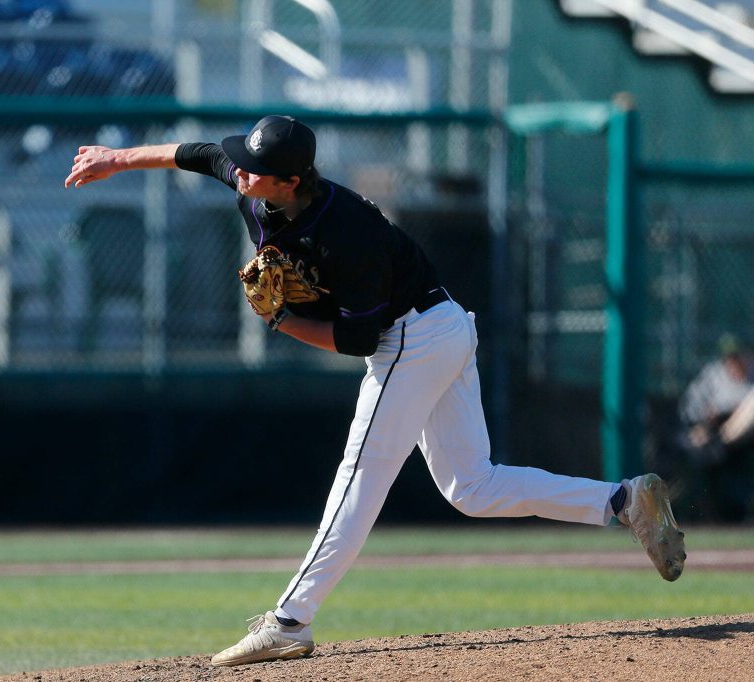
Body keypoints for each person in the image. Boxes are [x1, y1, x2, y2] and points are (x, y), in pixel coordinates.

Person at [64, 115, 687, 667]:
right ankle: (623, 500)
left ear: (291, 181)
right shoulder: (255, 182)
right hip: (440, 327)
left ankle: (288, 621)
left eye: (256, 172)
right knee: (471, 486)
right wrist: (115, 160)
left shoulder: (345, 233)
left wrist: (282, 321)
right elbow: (198, 153)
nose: (242, 175)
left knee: (359, 476)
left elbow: (360, 339)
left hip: (411, 336)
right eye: (245, 166)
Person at [676, 333, 754, 519]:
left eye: (738, 356)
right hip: (713, 434)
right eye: (729, 358)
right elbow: (691, 408)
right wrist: (706, 420)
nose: (733, 362)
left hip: (740, 439)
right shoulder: (713, 375)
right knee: (699, 446)